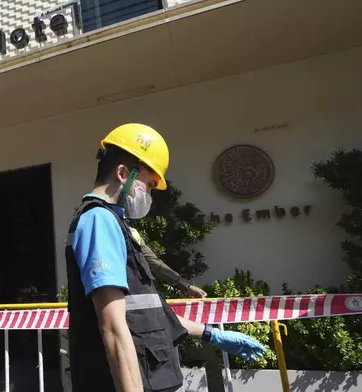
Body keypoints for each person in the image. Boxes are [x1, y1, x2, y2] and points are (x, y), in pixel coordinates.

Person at [65, 123, 266, 392]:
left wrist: (210, 333)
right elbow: (113, 327)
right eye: (148, 185)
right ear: (123, 174)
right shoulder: (98, 221)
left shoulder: (115, 223)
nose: (149, 194)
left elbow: (144, 314)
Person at [128, 227, 207, 299]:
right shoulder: (129, 232)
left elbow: (156, 264)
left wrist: (187, 286)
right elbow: (156, 264)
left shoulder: (132, 233)